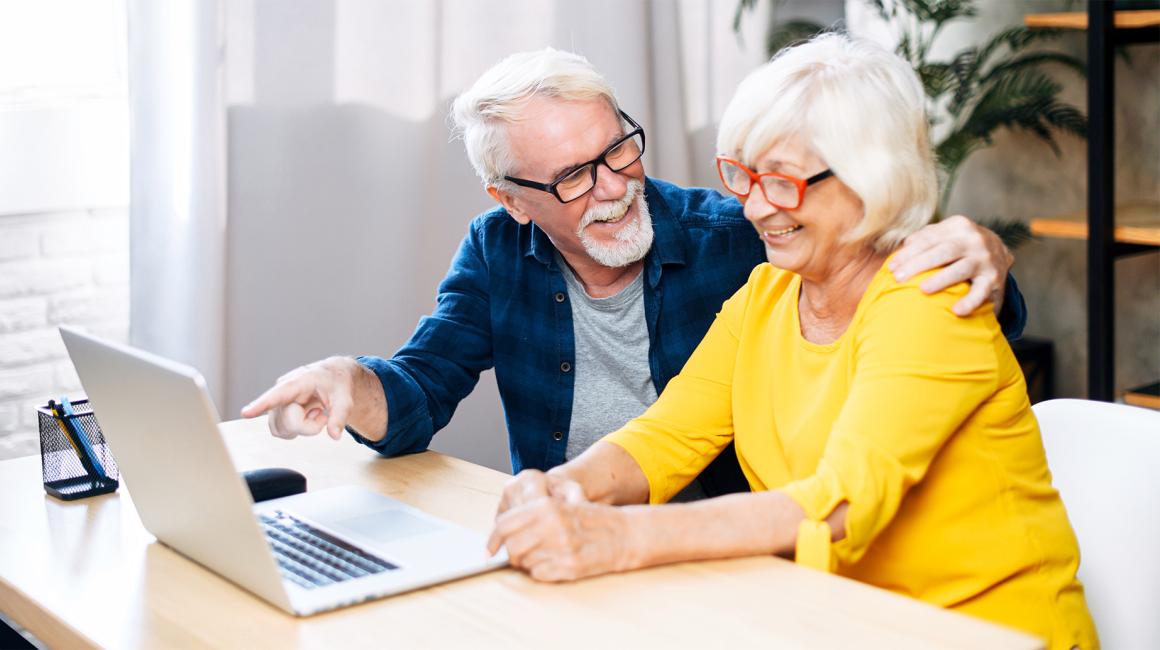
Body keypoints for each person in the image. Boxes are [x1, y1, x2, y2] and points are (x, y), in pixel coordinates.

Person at [485, 35, 1095, 649]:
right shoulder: (768, 292)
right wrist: (566, 486)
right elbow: (667, 434)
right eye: (744, 176)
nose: (753, 207)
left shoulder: (928, 301)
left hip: (984, 632)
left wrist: (613, 538)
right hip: (840, 623)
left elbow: (838, 506)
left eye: (781, 181)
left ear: (870, 177)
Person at [241, 47, 1025, 499]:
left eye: (618, 150)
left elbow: (910, 294)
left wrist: (981, 258)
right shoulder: (498, 251)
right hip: (593, 537)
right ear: (512, 199)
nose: (615, 187)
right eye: (573, 177)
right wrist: (350, 381)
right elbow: (423, 389)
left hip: (735, 558)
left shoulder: (740, 237)